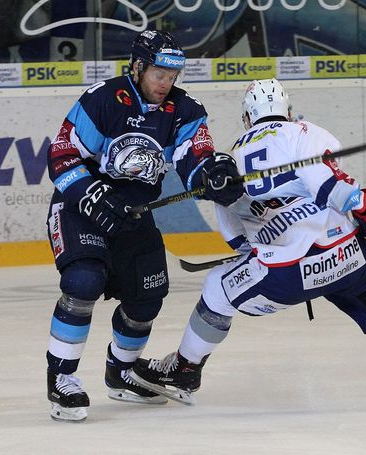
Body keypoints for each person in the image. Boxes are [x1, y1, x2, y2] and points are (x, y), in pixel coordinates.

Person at [129, 78, 366, 406]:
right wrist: (361, 204)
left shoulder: (230, 159)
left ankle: (184, 371)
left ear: (246, 117)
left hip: (285, 275)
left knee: (217, 289)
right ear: (288, 108)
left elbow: (235, 235)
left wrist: (260, 246)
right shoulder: (304, 132)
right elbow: (329, 184)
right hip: (348, 259)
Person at [44, 30, 242, 422]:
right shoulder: (104, 99)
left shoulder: (184, 110)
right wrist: (92, 194)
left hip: (134, 214)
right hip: (81, 207)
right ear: (137, 67)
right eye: (159, 74)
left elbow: (193, 157)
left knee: (148, 297)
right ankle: (61, 377)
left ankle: (120, 370)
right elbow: (62, 157)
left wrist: (213, 175)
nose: (166, 83)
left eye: (173, 75)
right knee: (84, 282)